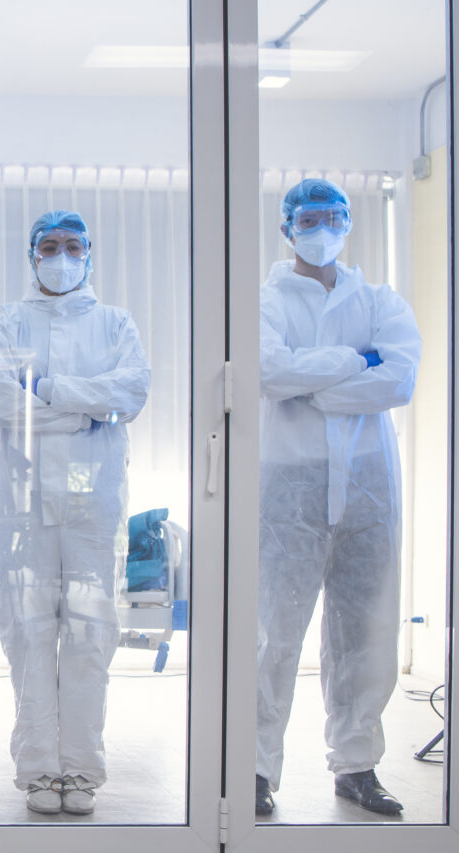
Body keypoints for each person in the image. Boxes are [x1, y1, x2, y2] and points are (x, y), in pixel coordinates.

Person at [255, 178, 420, 817]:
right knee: (272, 632)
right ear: (287, 227)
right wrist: (358, 361)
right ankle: (256, 769)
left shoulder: (379, 299)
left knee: (367, 630)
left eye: (333, 216)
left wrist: (316, 379)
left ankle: (357, 766)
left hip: (368, 487)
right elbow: (270, 371)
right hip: (287, 490)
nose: (321, 228)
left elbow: (400, 378)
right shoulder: (266, 301)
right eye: (309, 218)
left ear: (348, 224)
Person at [0, 210, 150, 816]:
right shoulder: (7, 321)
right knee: (27, 633)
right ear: (32, 256)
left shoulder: (115, 323)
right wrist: (88, 409)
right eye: (49, 247)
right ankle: (37, 771)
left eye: (72, 246)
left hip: (93, 498)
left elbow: (131, 392)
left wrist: (50, 391)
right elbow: (0, 401)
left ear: (90, 253)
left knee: (89, 633)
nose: (61, 257)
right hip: (22, 498)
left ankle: (81, 770)